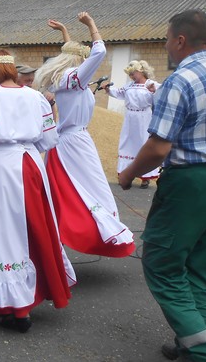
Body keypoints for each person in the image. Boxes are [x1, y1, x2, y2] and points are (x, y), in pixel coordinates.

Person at [119, 9, 206, 362]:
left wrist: (129, 173)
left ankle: (203, 351)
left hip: (193, 181)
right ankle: (192, 340)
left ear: (180, 40)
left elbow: (159, 147)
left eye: (166, 39)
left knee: (161, 259)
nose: (165, 46)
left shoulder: (180, 80)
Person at [0, 49, 75, 332]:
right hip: (32, 164)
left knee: (5, 231)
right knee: (34, 226)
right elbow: (49, 139)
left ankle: (13, 308)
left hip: (4, 168)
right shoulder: (36, 96)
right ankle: (31, 294)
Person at [33, 13, 135, 258]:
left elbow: (73, 54)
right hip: (75, 142)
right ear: (78, 61)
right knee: (93, 190)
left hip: (67, 140)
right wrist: (91, 25)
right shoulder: (74, 79)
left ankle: (58, 240)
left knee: (71, 190)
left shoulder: (64, 78)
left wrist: (65, 32)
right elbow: (99, 53)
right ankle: (92, 233)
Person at [104, 60, 161, 188]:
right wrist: (109, 89)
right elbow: (119, 93)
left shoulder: (151, 84)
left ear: (141, 71)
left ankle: (145, 177)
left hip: (144, 118)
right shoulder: (129, 85)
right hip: (130, 117)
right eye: (129, 74)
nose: (131, 76)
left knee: (143, 143)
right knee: (126, 142)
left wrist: (154, 91)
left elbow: (164, 93)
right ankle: (124, 173)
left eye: (133, 73)